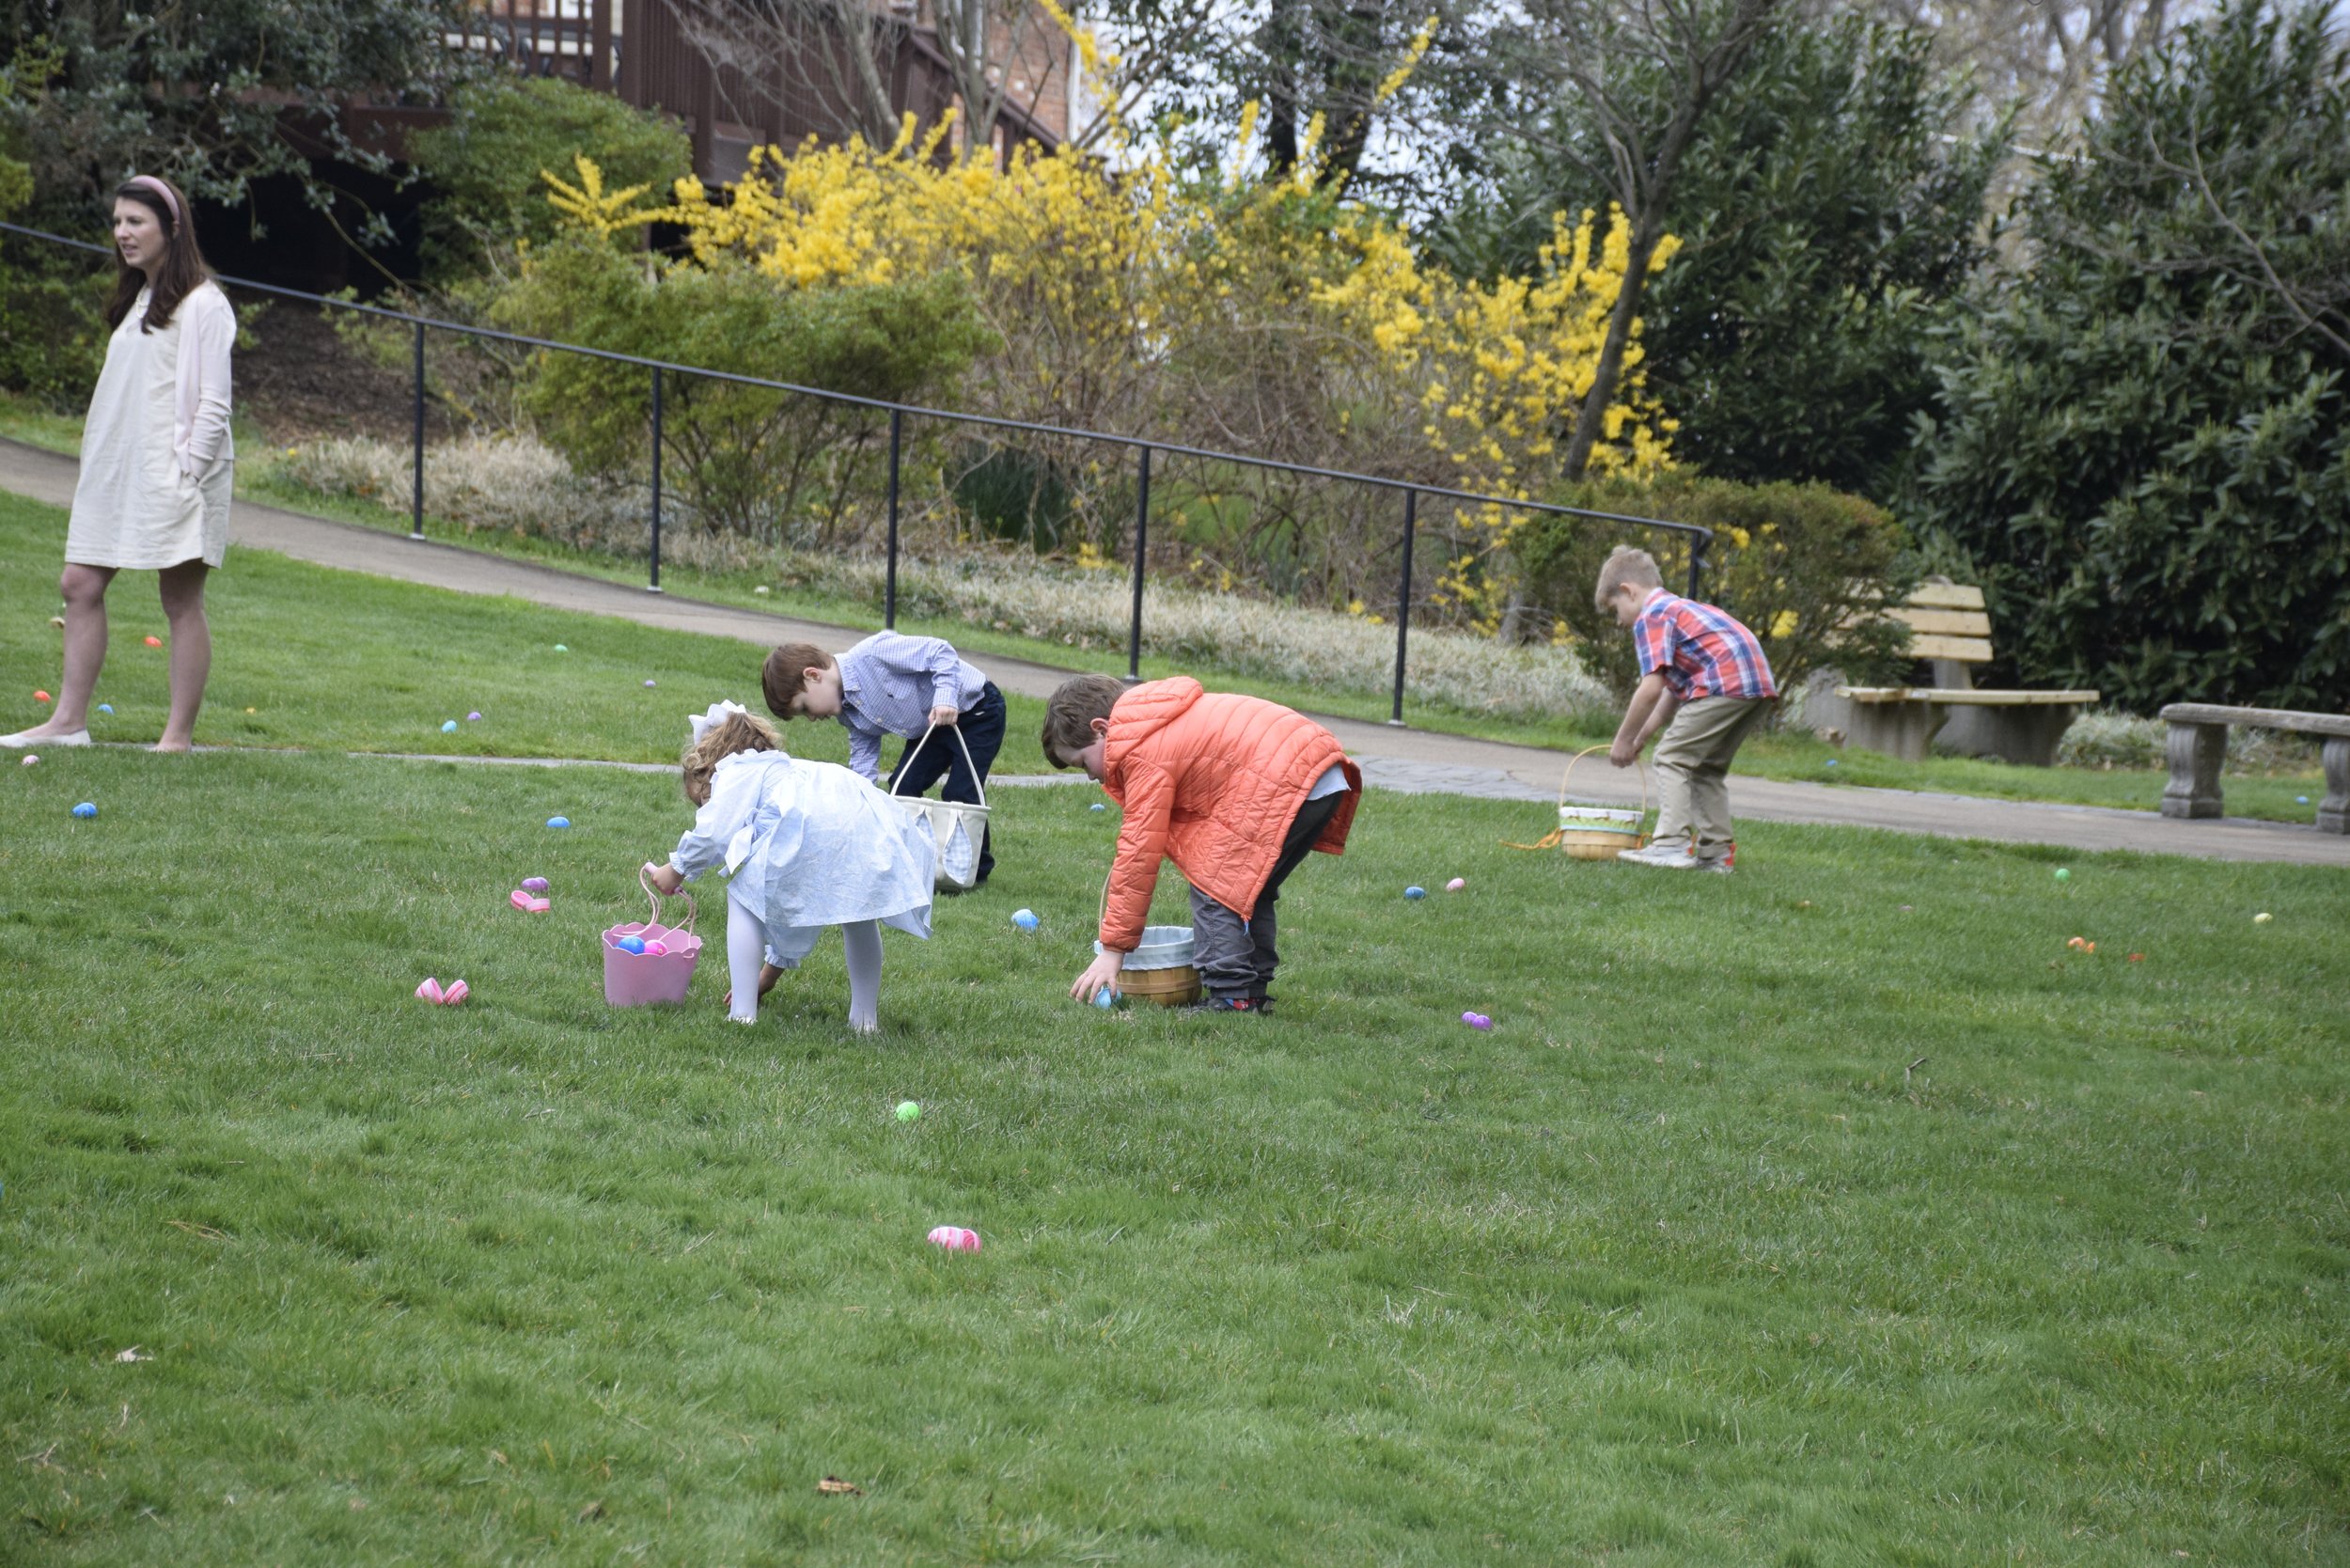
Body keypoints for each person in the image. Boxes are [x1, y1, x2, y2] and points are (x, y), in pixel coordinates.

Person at [3, 175, 236, 754]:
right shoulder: (138, 301)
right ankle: (68, 723)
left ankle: (176, 738)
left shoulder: (204, 302)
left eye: (136, 221)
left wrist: (189, 472)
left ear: (171, 228)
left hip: (176, 474)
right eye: (117, 222)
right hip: (117, 472)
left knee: (179, 600)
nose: (122, 233)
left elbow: (214, 403)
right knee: (79, 583)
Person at [1045, 674, 1360, 1015]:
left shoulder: (1141, 751)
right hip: (1320, 773)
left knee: (1215, 883)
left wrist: (1112, 951)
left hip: (1285, 777)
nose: (1091, 776)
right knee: (1248, 888)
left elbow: (1137, 855)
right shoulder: (1155, 718)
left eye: (1082, 763)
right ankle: (1251, 993)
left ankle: (1230, 997)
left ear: (1101, 729)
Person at [642, 701, 936, 1032]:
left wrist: (676, 869)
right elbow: (795, 910)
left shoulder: (736, 771)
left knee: (744, 900)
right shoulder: (783, 771)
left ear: (713, 765)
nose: (707, 808)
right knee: (859, 912)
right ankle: (865, 1020)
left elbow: (714, 833)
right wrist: (768, 976)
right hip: (855, 818)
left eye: (705, 801)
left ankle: (742, 1013)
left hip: (829, 818)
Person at [762, 633, 1005, 886]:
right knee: (903, 785)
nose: (812, 718)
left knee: (961, 792)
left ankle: (976, 870)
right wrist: (860, 802)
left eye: (804, 708)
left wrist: (945, 698)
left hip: (977, 710)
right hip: (933, 726)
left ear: (813, 675)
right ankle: (917, 861)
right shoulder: (849, 713)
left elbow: (940, 651)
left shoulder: (874, 653)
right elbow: (864, 759)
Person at [1597, 546, 1778, 872]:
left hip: (1724, 683)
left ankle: (1670, 844)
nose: (1619, 620)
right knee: (1706, 768)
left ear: (1629, 591)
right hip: (1755, 685)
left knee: (1671, 757)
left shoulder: (1652, 615)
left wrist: (1622, 740)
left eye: (1615, 608)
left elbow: (1650, 689)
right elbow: (1671, 690)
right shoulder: (1679, 608)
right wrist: (1641, 736)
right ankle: (1716, 855)